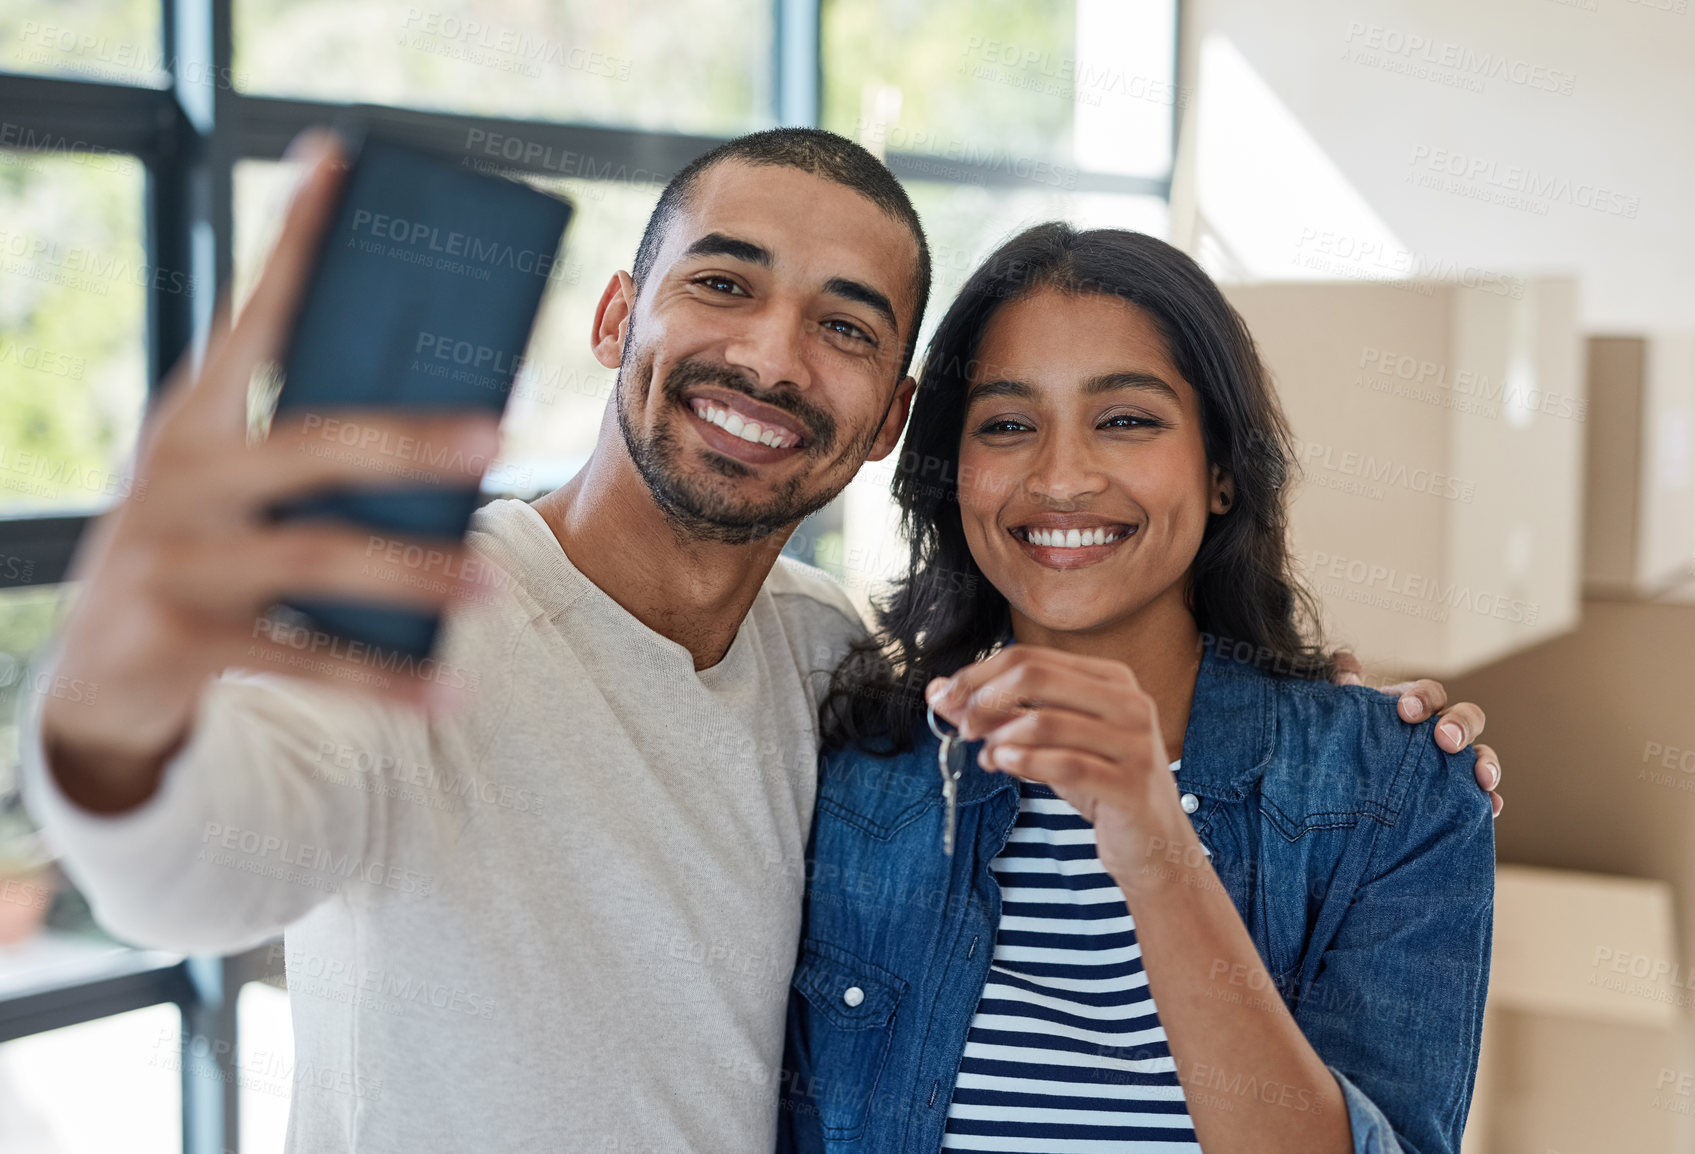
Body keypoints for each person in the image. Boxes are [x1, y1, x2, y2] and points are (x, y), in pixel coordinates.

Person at [16, 128, 1494, 1153]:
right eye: (721, 283)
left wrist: (1329, 733)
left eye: (847, 327)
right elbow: (207, 859)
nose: (772, 358)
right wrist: (122, 673)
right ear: (616, 316)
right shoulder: (423, 605)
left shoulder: (832, 675)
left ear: (884, 418)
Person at [780, 224, 1496, 1154]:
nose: (1062, 477)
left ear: (1223, 473)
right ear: (951, 476)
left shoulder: (1397, 790)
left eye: (1125, 420)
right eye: (1006, 424)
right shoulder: (852, 767)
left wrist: (1151, 838)